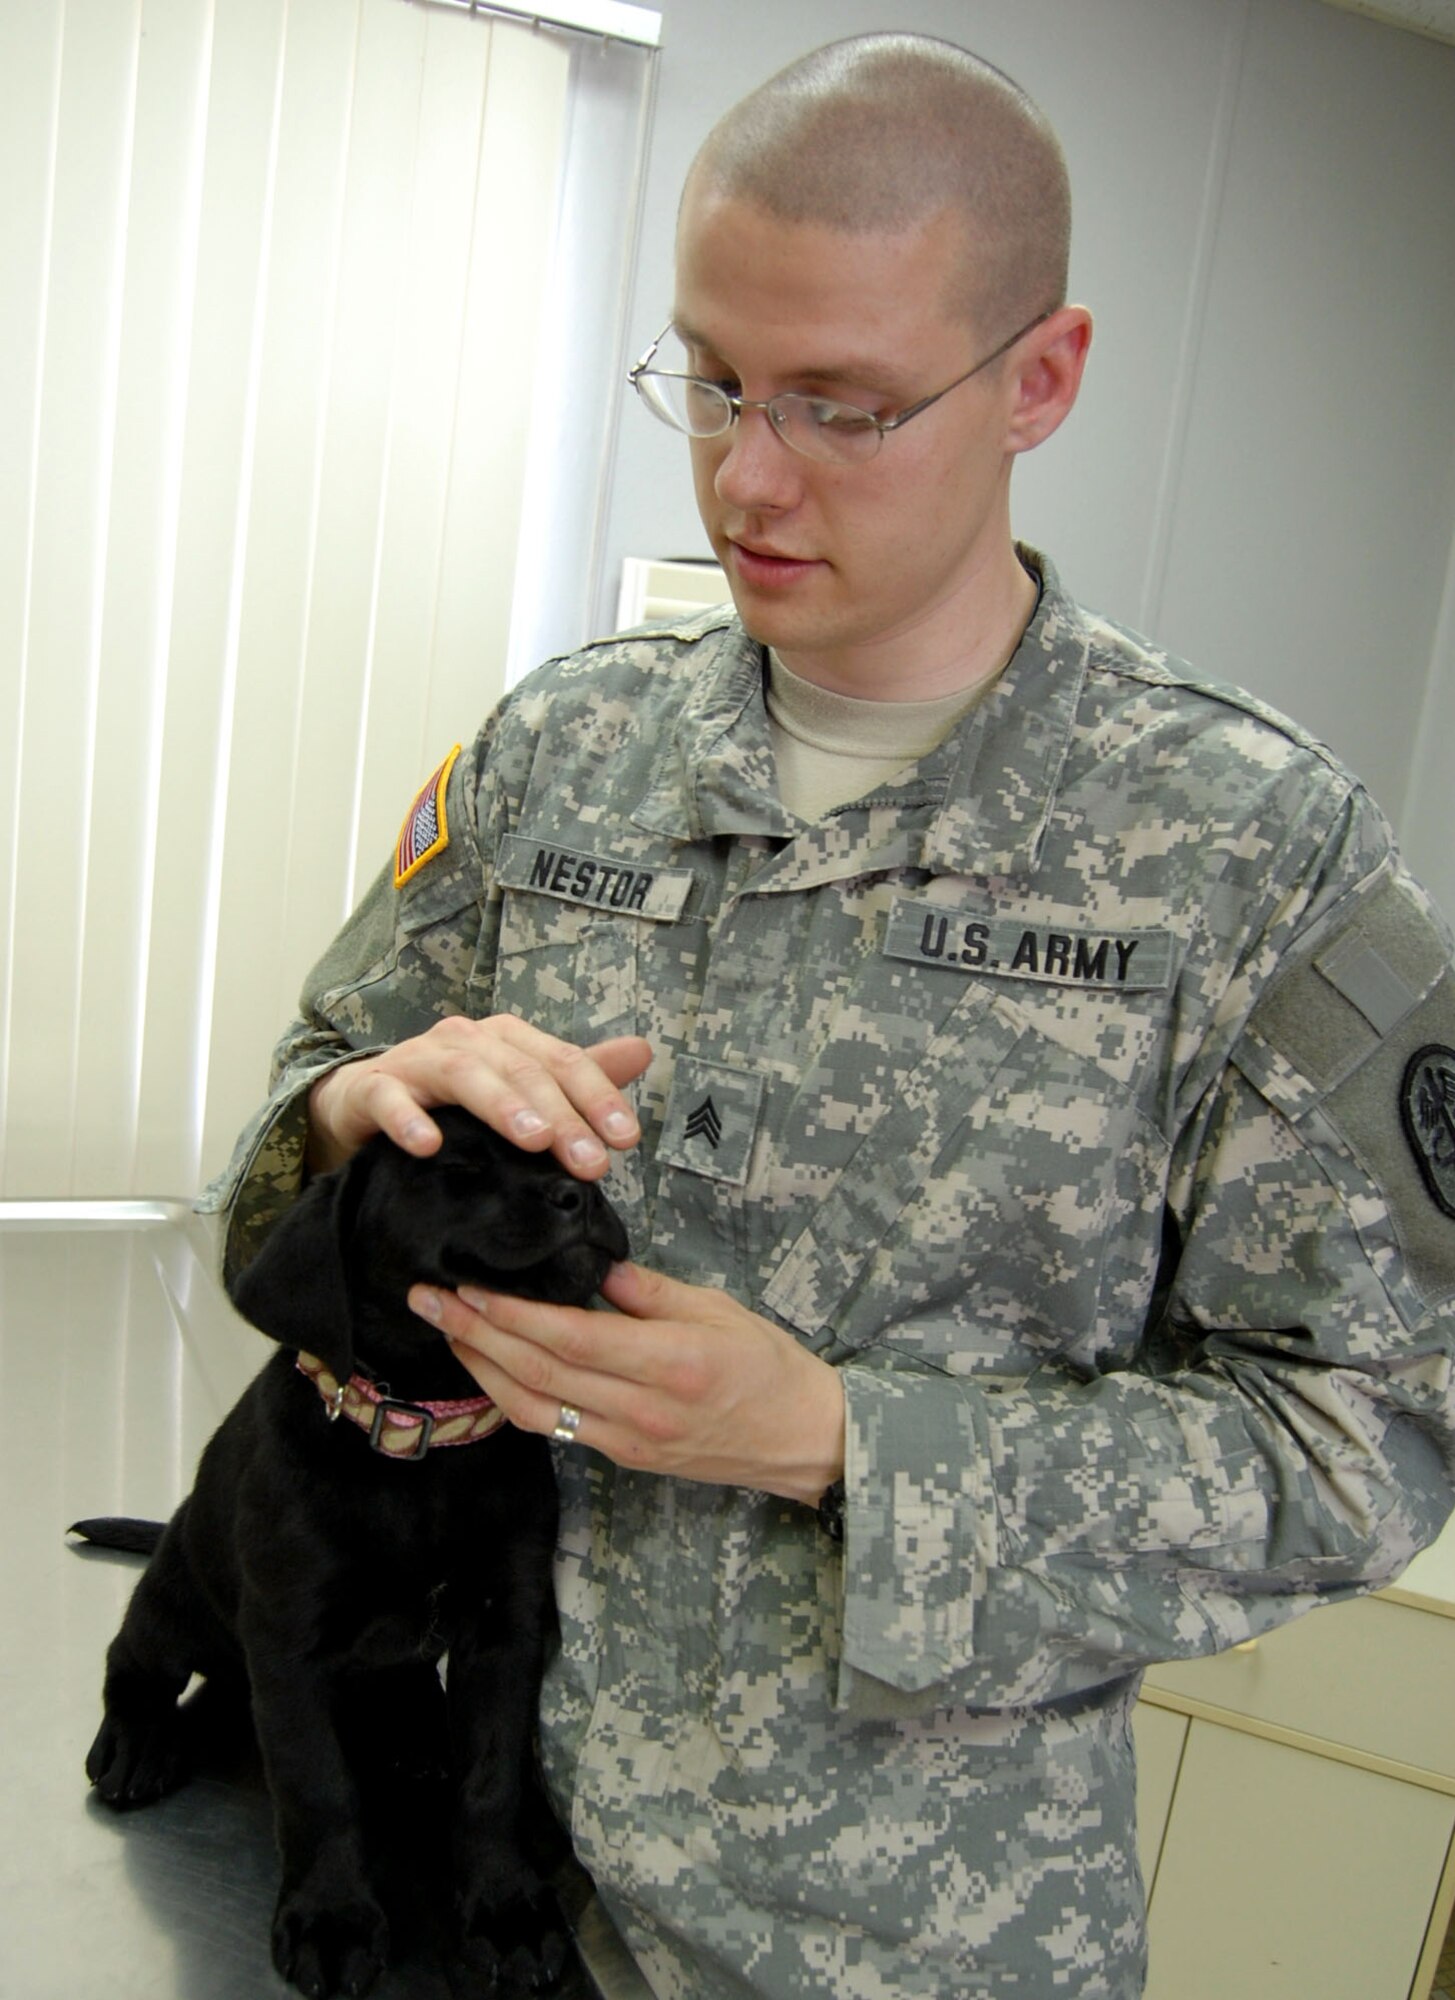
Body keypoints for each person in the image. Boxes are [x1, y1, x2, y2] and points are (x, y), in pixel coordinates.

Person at [207, 31, 1455, 1999]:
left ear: (1037, 378)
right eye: (706, 378)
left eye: (840, 406)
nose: (743, 472)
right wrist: (357, 1101)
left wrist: (847, 1442)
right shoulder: (561, 751)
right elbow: (283, 1137)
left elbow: (1367, 1428)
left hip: (887, 1943)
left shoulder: (1243, 851)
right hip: (455, 1873)